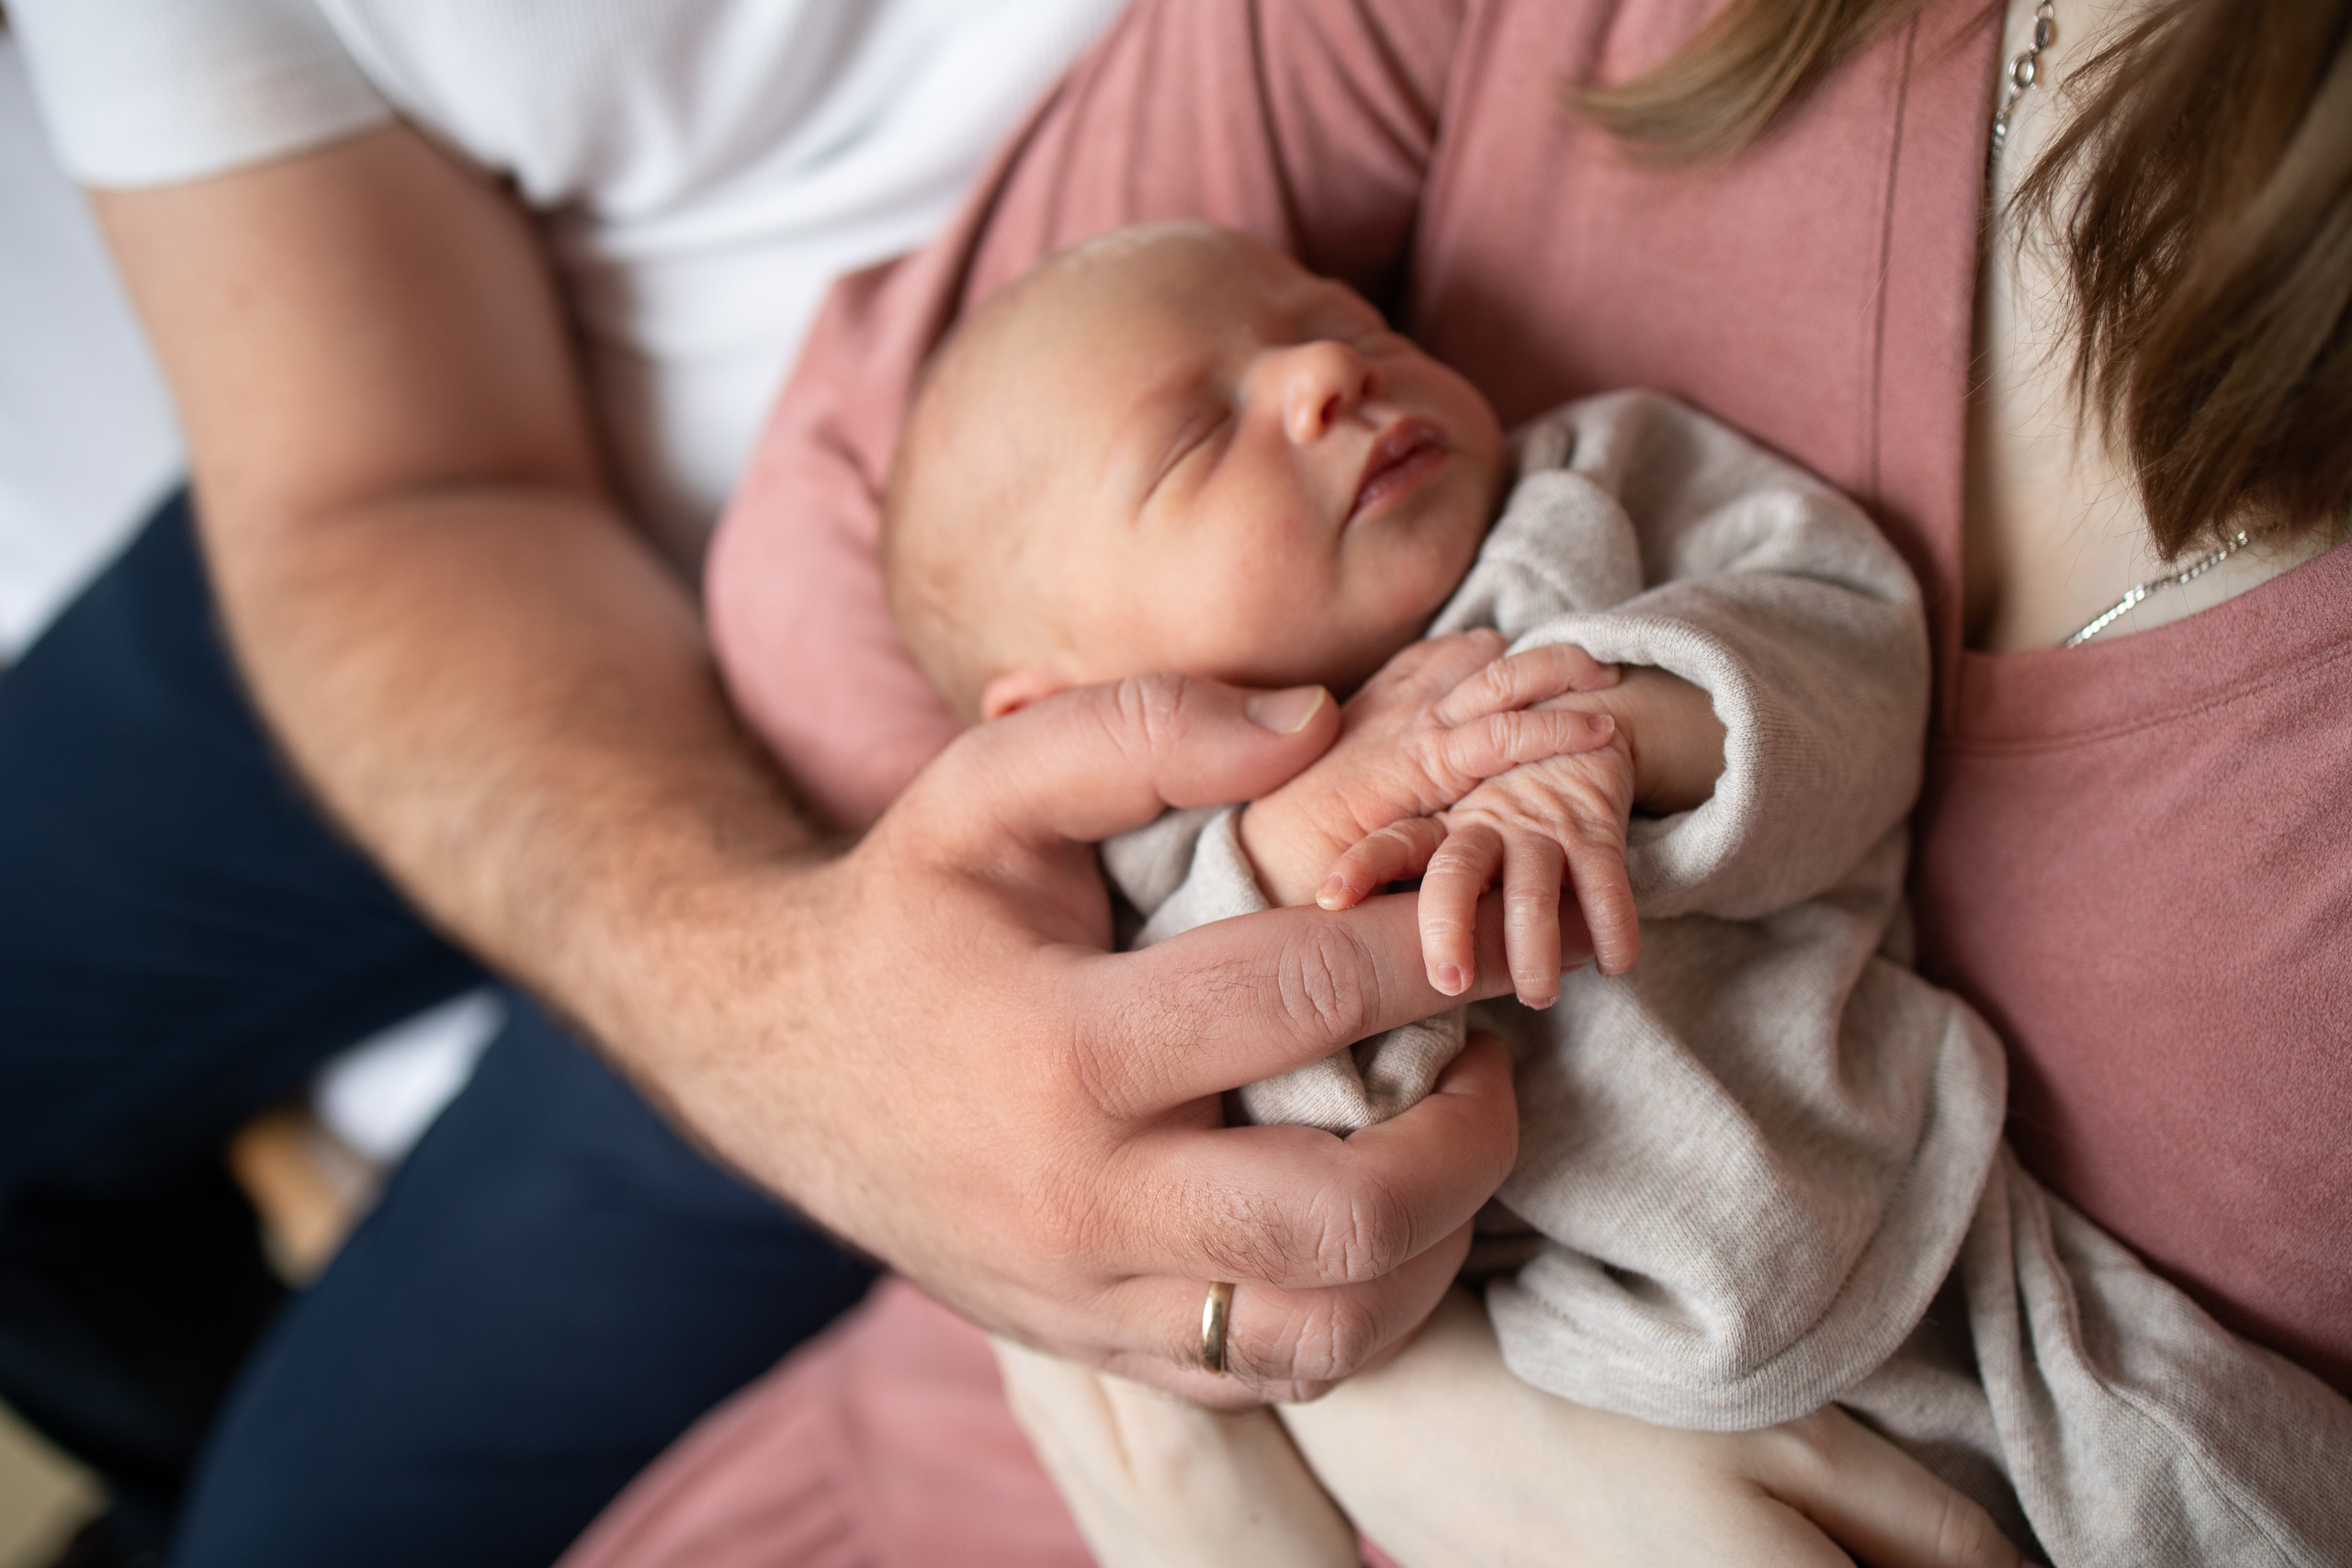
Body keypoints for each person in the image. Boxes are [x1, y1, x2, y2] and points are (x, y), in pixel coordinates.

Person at [554, 0, 2349, 1562]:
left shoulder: (1592, 504)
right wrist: (1297, 855)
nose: (1323, 371)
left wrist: (1602, 730)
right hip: (1397, 1390)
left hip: (1931, 1258)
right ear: (1052, 697)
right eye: (1200, 434)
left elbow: (1839, 644)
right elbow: (1187, 1171)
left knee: (2215, 1475)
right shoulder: (1132, 853)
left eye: (1329, 317)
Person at [1, 2, 1537, 1563]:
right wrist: (774, 1020)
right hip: (455, 488)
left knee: (292, 1535)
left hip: (951, 644)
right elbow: (381, 490)